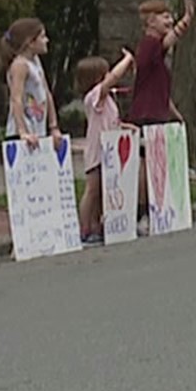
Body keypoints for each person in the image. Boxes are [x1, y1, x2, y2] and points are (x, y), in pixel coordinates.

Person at [130, 0, 195, 222]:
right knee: (147, 163)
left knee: (152, 161)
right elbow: (170, 39)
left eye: (171, 16)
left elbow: (158, 89)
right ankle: (141, 211)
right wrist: (186, 19)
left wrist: (174, 113)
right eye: (164, 16)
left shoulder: (155, 50)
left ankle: (152, 207)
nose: (169, 20)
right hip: (147, 115)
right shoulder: (150, 45)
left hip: (155, 112)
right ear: (150, 21)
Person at [74, 48, 135, 245]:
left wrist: (125, 127)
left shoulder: (107, 100)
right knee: (92, 189)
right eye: (106, 73)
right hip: (97, 151)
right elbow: (114, 78)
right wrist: (127, 60)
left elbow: (110, 121)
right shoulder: (94, 96)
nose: (110, 76)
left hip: (110, 150)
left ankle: (97, 225)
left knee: (102, 190)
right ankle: (84, 227)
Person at [0, 17, 53, 149]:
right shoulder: (20, 65)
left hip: (38, 130)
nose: (47, 40)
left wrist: (53, 125)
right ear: (30, 42)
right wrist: (23, 132)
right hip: (21, 133)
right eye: (42, 36)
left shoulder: (36, 61)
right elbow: (16, 98)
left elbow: (46, 93)